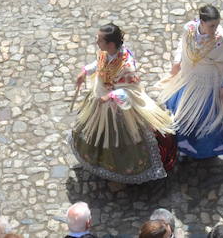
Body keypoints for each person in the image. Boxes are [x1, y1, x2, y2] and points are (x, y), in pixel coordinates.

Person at [70, 23, 176, 183]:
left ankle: (120, 173)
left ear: (111, 44)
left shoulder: (126, 66)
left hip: (116, 107)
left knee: (118, 139)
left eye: (100, 40)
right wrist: (85, 72)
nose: (96, 41)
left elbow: (129, 91)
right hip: (100, 99)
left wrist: (109, 96)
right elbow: (99, 64)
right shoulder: (106, 53)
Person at [154, 5, 223, 159]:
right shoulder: (189, 30)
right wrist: (177, 63)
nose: (215, 29)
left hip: (208, 85)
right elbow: (182, 45)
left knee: (205, 121)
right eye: (212, 26)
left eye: (217, 25)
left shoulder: (221, 40)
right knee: (184, 116)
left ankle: (203, 151)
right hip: (189, 80)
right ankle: (184, 146)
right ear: (201, 22)